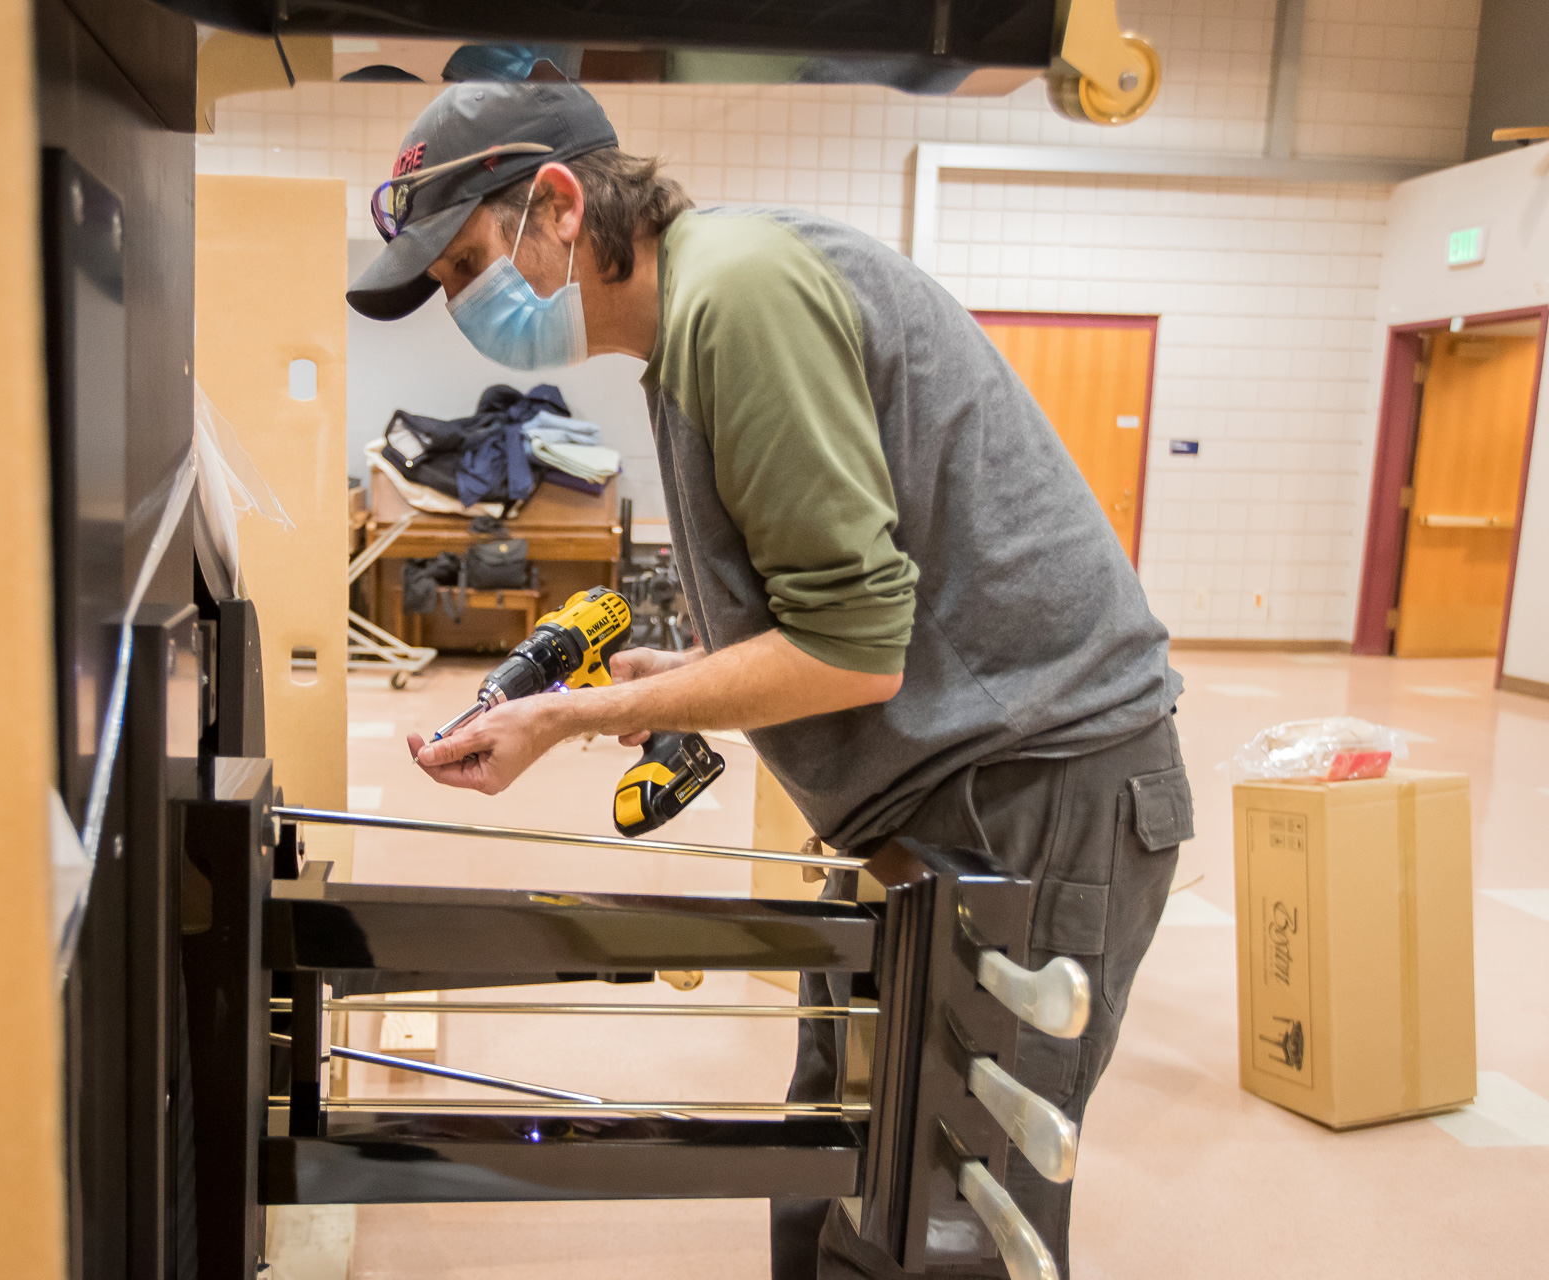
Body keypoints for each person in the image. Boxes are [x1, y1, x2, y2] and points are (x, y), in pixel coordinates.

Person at [347, 81, 1191, 1280]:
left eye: (470, 262)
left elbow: (855, 648)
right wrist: (685, 673)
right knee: (840, 1151)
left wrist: (576, 710)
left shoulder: (736, 298)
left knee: (939, 1205)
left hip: (1041, 781)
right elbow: (836, 614)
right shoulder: (701, 311)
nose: (464, 304)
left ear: (559, 203)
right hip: (946, 781)